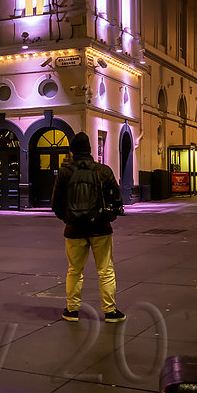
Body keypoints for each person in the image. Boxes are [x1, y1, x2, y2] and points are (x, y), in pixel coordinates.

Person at [51, 132, 126, 323]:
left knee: (74, 270)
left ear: (72, 151)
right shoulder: (103, 170)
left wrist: (69, 218)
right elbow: (116, 200)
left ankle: (72, 310)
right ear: (90, 150)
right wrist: (107, 216)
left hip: (74, 230)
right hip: (100, 228)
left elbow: (56, 204)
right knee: (105, 270)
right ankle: (110, 311)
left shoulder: (65, 172)